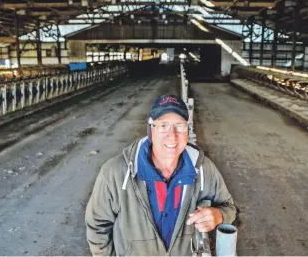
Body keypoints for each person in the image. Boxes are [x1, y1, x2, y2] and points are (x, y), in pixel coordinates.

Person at [85, 94, 236, 256]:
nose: (172, 135)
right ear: (151, 129)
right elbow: (97, 226)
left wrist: (219, 215)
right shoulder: (116, 172)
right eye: (163, 126)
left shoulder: (205, 170)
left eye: (180, 126)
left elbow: (230, 208)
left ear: (187, 129)